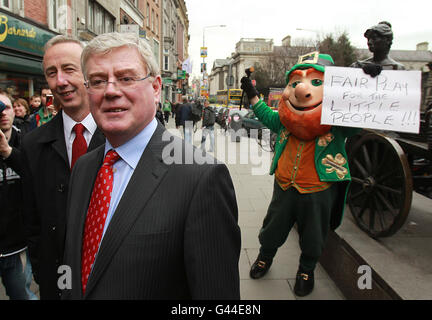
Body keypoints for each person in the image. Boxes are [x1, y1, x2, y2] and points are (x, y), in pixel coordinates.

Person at [61, 32, 240, 299]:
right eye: (98, 81)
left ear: (156, 88)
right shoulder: (84, 167)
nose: (111, 90)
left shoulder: (202, 177)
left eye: (126, 78)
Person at [241, 52, 360, 297]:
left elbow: (357, 121)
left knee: (314, 235)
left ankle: (306, 270)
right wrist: (252, 95)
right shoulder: (285, 121)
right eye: (295, 82)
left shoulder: (338, 123)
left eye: (317, 82)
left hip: (319, 190)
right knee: (273, 228)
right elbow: (267, 115)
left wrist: (367, 89)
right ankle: (265, 257)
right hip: (284, 186)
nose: (302, 89)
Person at [20, 35, 105, 300]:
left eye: (69, 69)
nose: (60, 82)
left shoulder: (120, 136)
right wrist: (42, 271)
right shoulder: (33, 143)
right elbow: (31, 217)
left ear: (88, 73)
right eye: (51, 73)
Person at [0, 91, 37, 300]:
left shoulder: (27, 141)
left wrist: (7, 152)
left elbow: (36, 176)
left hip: (17, 245)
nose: (3, 113)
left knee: (21, 294)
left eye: (6, 107)